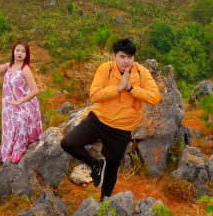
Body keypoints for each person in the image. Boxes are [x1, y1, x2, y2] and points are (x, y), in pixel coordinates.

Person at [60, 38, 160, 199]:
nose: (126, 61)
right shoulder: (105, 69)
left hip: (122, 128)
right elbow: (94, 94)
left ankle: (104, 203)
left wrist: (131, 88)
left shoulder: (141, 72)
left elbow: (155, 97)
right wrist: (118, 88)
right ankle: (95, 164)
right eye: (122, 56)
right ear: (114, 56)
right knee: (68, 143)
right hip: (98, 120)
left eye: (130, 57)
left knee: (112, 168)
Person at [0, 40, 42, 163]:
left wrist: (20, 102)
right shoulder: (8, 66)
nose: (20, 53)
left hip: (25, 104)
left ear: (26, 55)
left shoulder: (25, 69)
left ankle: (19, 149)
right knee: (10, 128)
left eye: (23, 51)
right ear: (13, 52)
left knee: (22, 119)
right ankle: (11, 149)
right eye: (18, 50)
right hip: (9, 105)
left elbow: (35, 90)